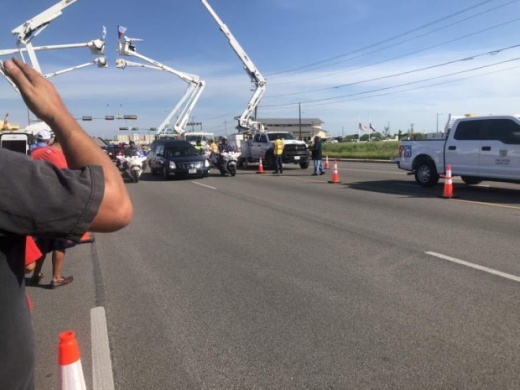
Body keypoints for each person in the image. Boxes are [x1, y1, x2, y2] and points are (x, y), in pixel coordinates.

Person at [0, 57, 132, 390]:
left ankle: (43, 271)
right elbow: (115, 206)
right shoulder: (15, 169)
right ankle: (52, 274)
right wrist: (59, 114)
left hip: (45, 208)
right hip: (55, 208)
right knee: (55, 245)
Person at [29, 132, 74, 288]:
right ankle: (56, 277)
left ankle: (36, 274)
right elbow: (66, 181)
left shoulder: (35, 152)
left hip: (37, 203)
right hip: (54, 205)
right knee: (59, 243)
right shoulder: (56, 156)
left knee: (41, 243)